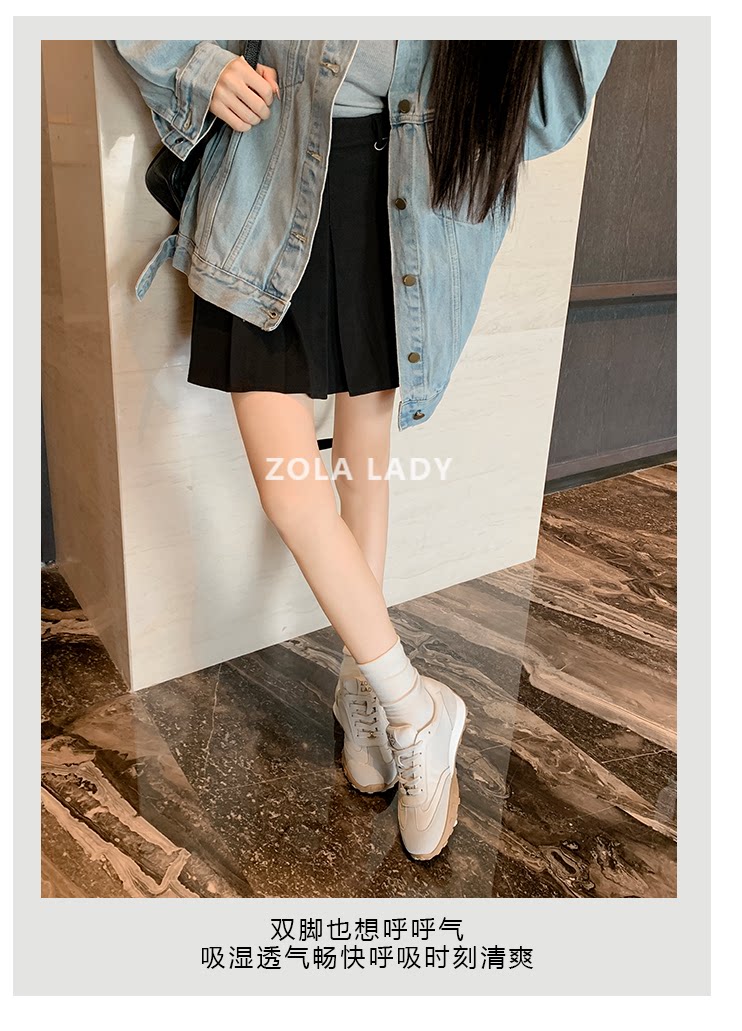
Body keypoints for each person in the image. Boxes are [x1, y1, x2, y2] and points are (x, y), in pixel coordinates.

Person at [107, 39, 618, 862]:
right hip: (268, 174)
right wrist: (198, 66)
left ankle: (360, 685)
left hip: (398, 198)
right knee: (290, 490)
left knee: (364, 468)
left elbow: (547, 109)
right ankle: (415, 708)